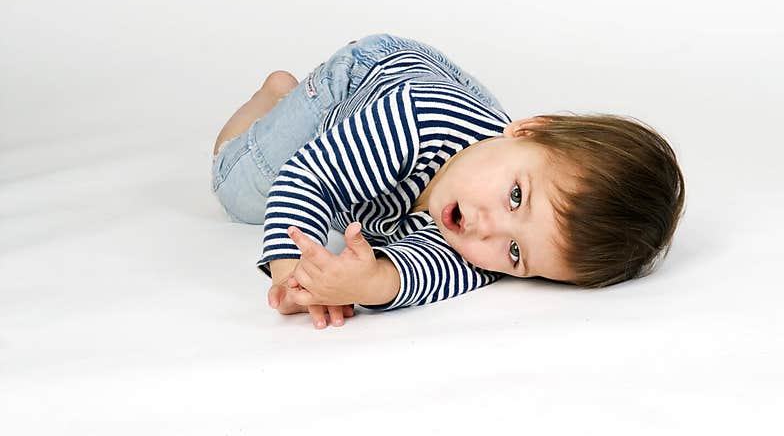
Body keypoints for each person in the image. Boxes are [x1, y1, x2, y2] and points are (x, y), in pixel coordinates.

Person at [210, 33, 686, 330]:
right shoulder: (415, 120)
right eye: (515, 196)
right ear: (528, 129)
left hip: (443, 121)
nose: (488, 229)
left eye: (516, 255)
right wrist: (294, 273)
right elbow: (313, 177)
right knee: (242, 192)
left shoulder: (496, 252)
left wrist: (366, 280)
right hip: (364, 82)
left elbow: (420, 274)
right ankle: (277, 96)